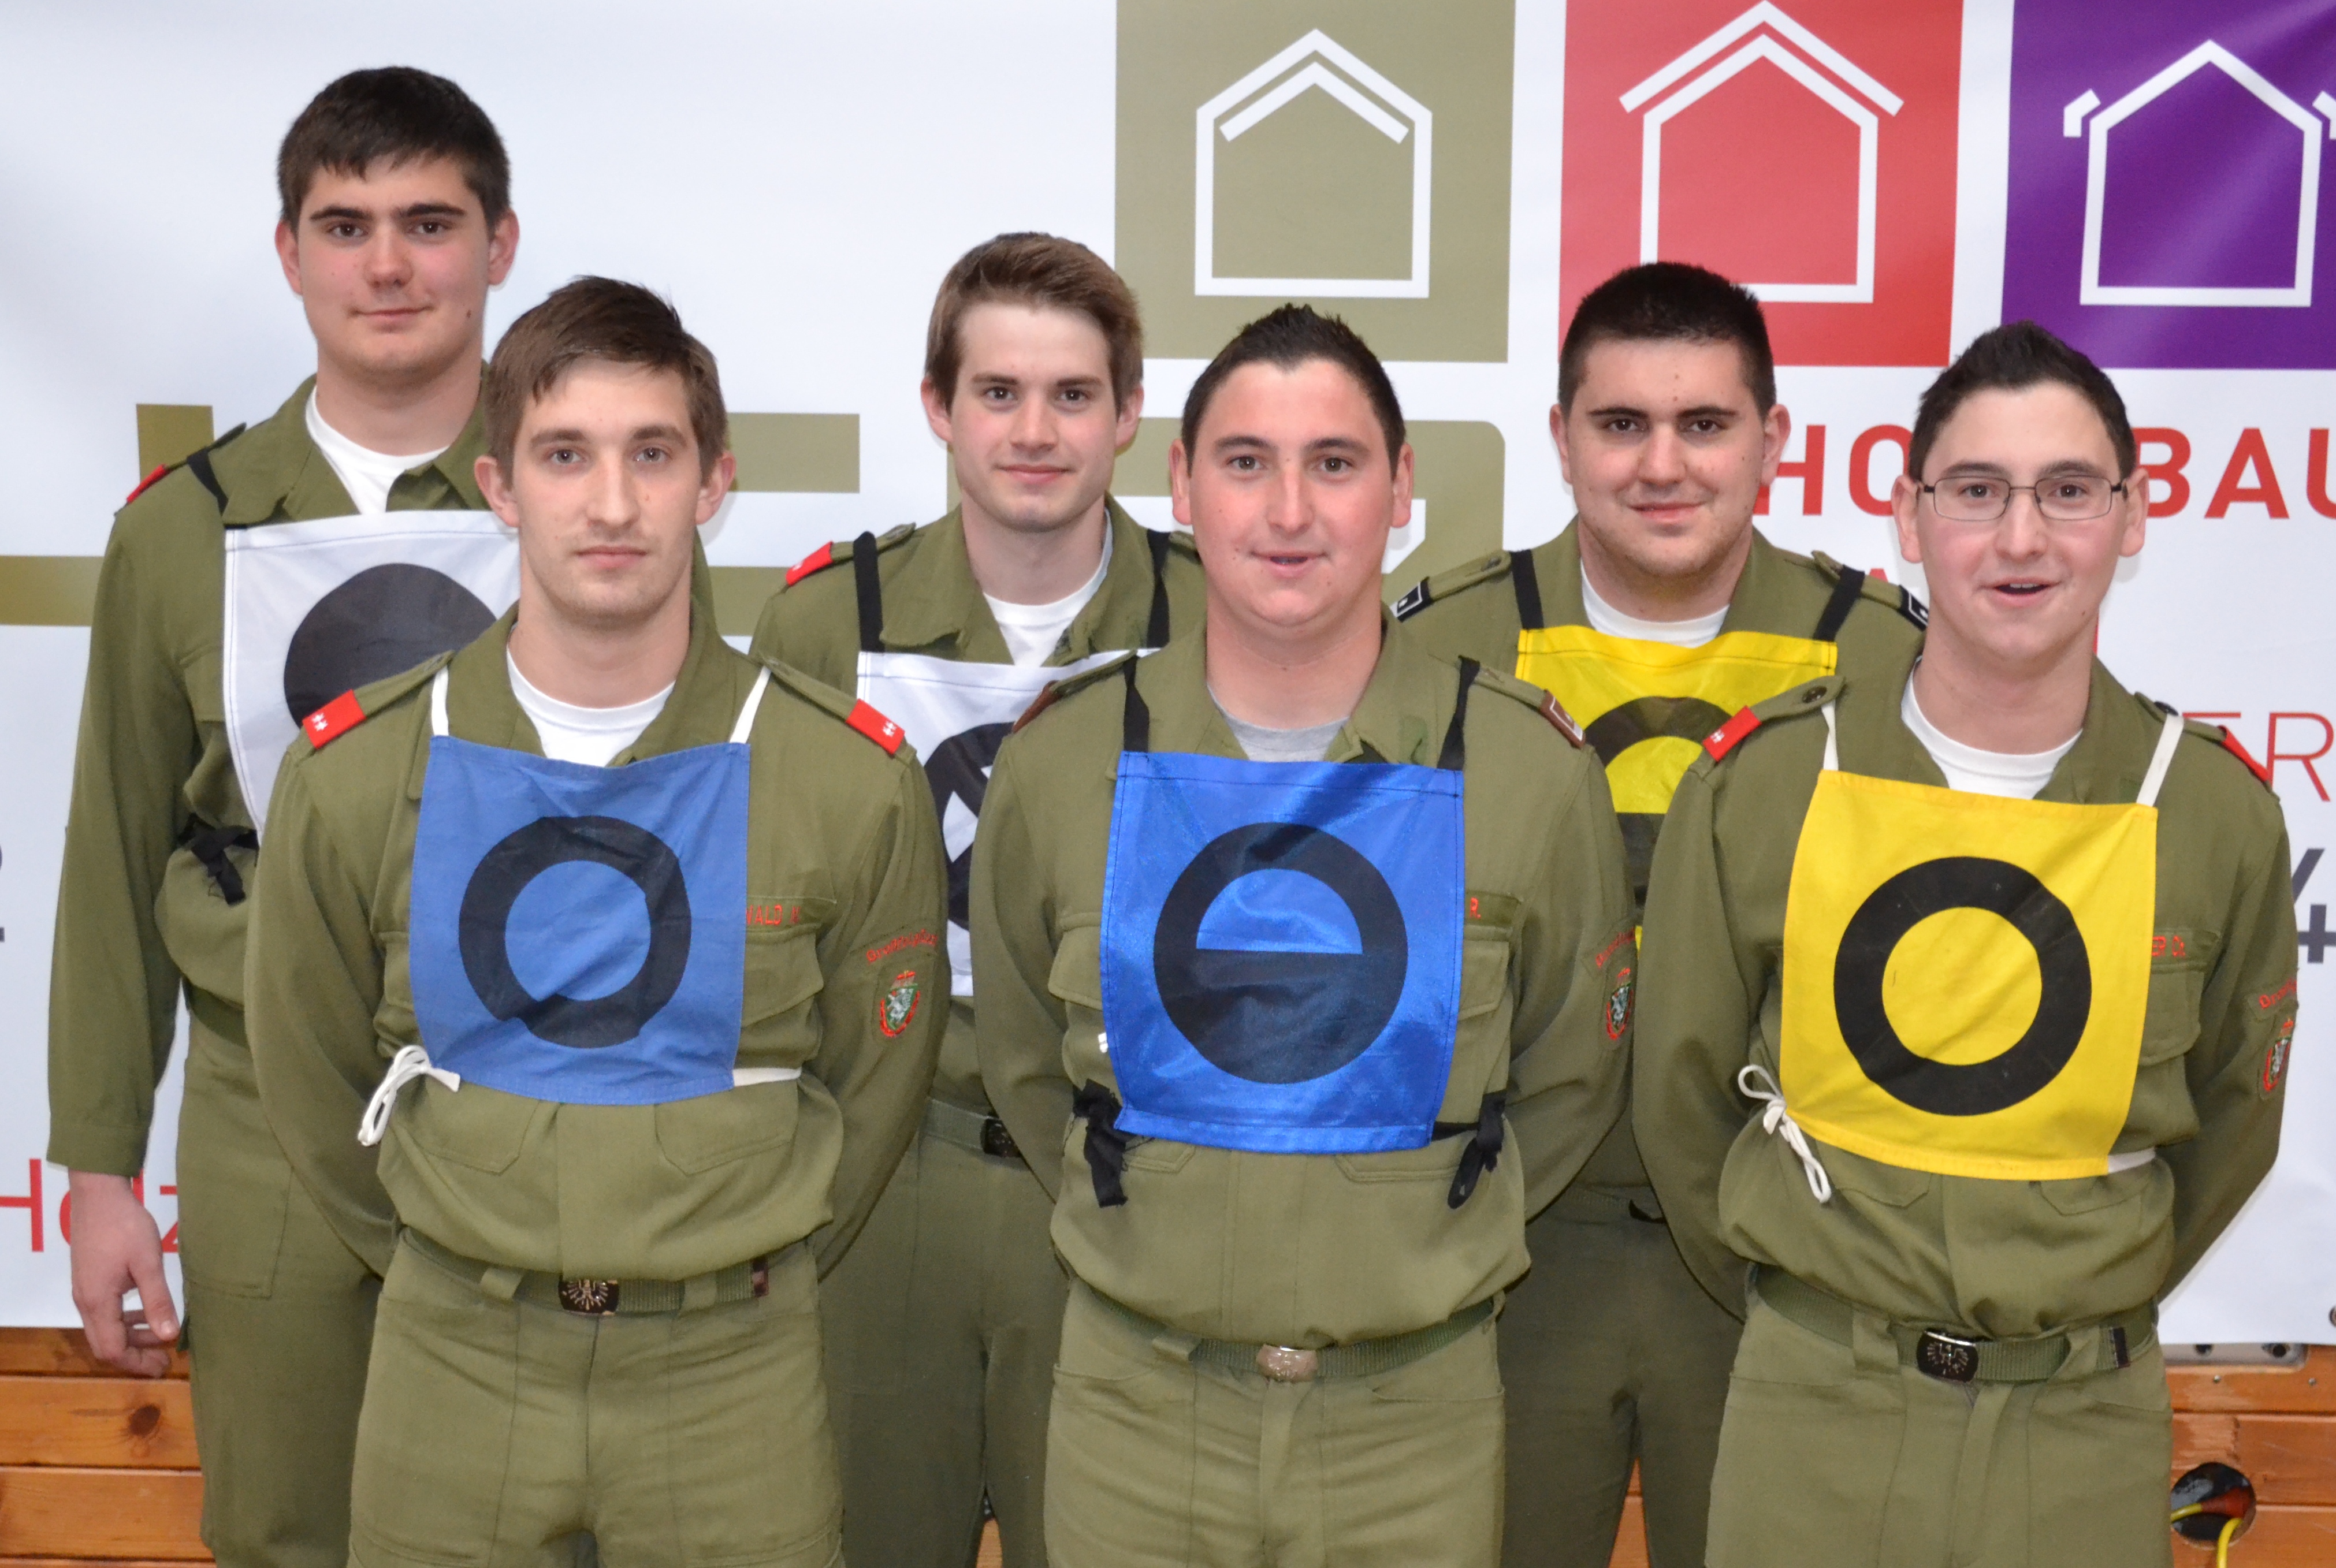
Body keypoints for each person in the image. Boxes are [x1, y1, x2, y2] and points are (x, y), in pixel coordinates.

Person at [245, 278, 948, 1568]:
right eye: (565, 455)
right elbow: (310, 1073)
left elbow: (872, 1090)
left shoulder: (846, 780)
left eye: (652, 454)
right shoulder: (355, 775)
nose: (612, 504)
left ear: (714, 482)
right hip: (453, 1363)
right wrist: (468, 1247)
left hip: (732, 1377)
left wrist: (718, 1247)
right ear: (500, 486)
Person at [972, 304, 1635, 1567]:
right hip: (1134, 1414)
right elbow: (1022, 1057)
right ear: (1180, 484)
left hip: (1411, 1426)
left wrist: (1393, 1236)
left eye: (1333, 463)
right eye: (1245, 462)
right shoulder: (1063, 762)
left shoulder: (1526, 772)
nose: (1289, 511)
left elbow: (1564, 1085)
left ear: (1400, 488)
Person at [1635, 321, 2295, 1567]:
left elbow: (2230, 1121)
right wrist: (1819, 1302)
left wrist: (2077, 1290)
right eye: (1977, 490)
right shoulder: (1768, 785)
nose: (2021, 537)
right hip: (1813, 1413)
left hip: (2083, 1428)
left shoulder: (2212, 813)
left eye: (2068, 490)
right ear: (1908, 514)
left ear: (2132, 516)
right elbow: (1681, 1100)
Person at [48, 67, 519, 1568]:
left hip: (535, 1102)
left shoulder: (585, 498)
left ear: (500, 245)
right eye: (345, 225)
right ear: (289, 251)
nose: (388, 265)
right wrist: (101, 1174)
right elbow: (115, 856)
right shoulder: (180, 527)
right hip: (265, 1111)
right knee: (283, 1529)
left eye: (429, 223)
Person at [1395, 261, 1922, 1568]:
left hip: (1782, 1261)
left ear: (1773, 442)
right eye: (1621, 423)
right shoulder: (1434, 645)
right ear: (1562, 436)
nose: (1662, 464)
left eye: (1705, 423)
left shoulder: (1890, 657)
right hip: (1510, 1246)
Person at [752, 232, 1202, 1568]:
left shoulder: (1214, 615)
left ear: (1128, 413)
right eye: (997, 392)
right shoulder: (823, 624)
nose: (1034, 431)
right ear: (936, 405)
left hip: (1127, 1181)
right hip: (890, 1180)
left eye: (1072, 395)